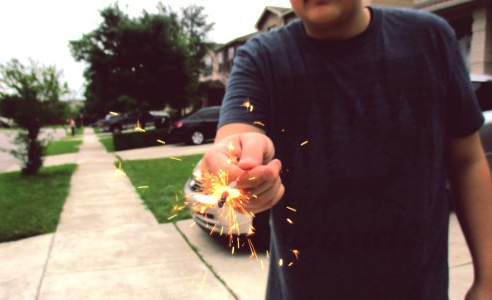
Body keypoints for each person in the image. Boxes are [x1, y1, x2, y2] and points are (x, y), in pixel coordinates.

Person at [201, 0, 492, 299]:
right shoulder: (261, 57)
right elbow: (236, 136)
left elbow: (467, 162)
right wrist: (236, 165)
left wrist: (488, 280)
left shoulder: (430, 38)